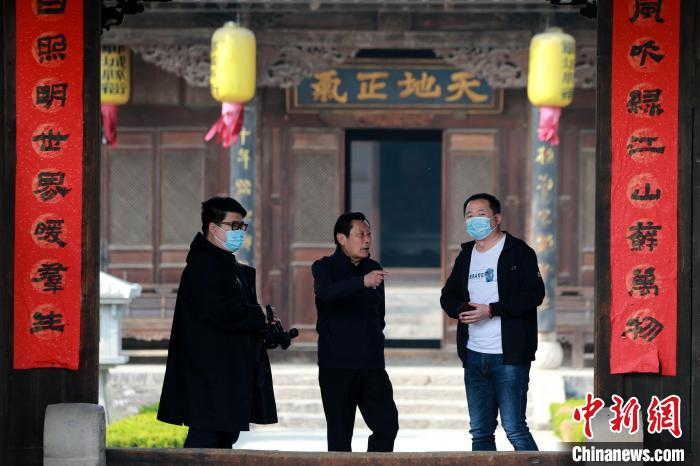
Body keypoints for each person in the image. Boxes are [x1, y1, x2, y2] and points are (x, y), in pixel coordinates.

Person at [157, 197, 277, 448]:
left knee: (224, 438)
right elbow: (222, 313)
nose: (239, 232)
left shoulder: (227, 264)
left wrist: (264, 325)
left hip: (227, 372)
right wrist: (258, 316)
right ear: (213, 228)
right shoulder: (203, 265)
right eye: (234, 225)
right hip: (209, 375)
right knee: (206, 440)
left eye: (242, 226)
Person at [440, 193, 544, 451]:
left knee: (514, 427)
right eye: (469, 215)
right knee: (480, 432)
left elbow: (534, 295)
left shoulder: (519, 252)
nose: (474, 220)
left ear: (497, 219)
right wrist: (461, 309)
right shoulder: (466, 255)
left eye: (481, 214)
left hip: (509, 356)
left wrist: (492, 310)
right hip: (474, 354)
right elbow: (447, 295)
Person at [311, 212, 399, 452]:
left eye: (369, 234)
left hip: (371, 364)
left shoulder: (374, 268)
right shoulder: (324, 267)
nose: (367, 239)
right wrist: (361, 283)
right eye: (361, 235)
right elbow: (326, 294)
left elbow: (379, 315)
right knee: (339, 436)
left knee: (387, 426)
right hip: (336, 365)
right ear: (342, 238)